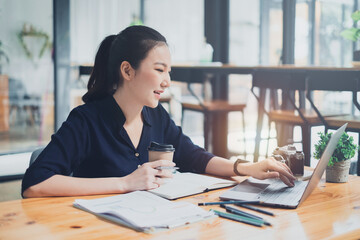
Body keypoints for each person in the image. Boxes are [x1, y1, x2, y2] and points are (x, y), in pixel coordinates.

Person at [22, 25, 295, 198]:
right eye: (159, 70)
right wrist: (125, 183)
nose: (167, 81)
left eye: (169, 72)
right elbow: (35, 183)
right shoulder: (86, 120)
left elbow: (194, 156)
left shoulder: (156, 115)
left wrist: (247, 167)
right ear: (128, 70)